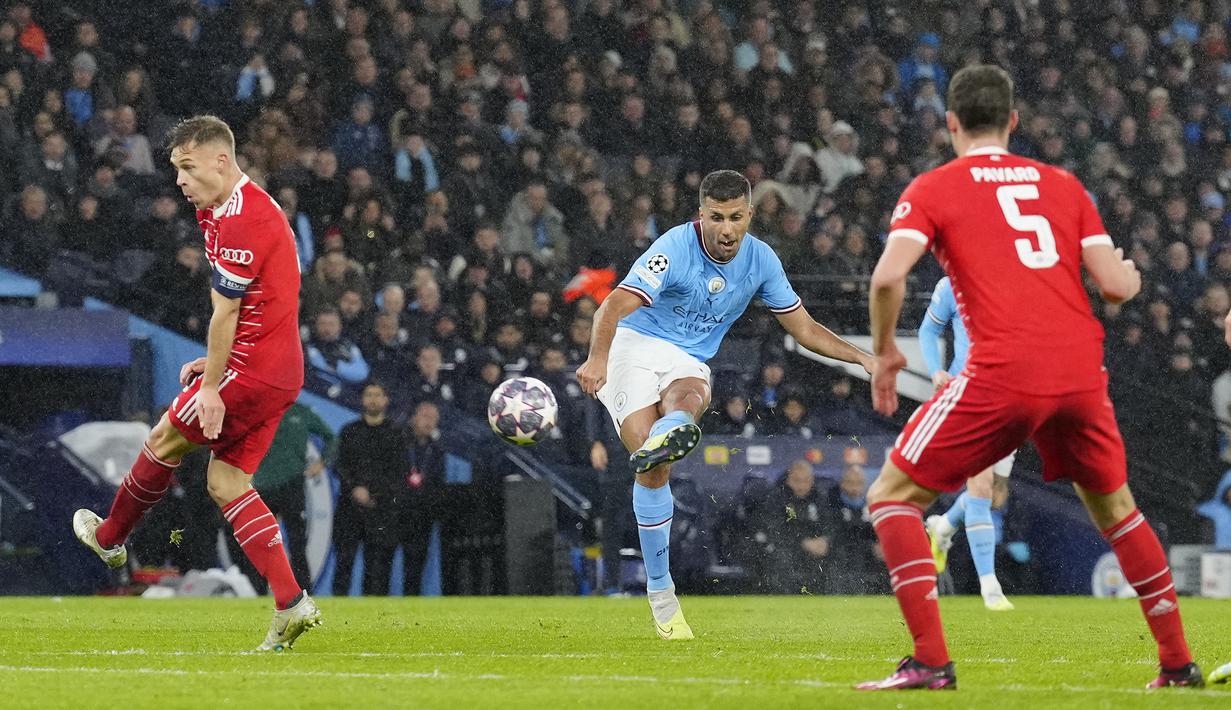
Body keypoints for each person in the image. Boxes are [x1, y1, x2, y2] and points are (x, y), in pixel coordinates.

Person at [860, 65, 1199, 691]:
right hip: (1079, 373)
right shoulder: (1064, 185)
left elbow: (886, 278)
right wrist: (1132, 274)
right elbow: (1119, 287)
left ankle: (932, 662)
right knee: (1119, 511)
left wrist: (884, 354)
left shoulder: (934, 188)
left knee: (890, 495)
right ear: (1014, 120)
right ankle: (1178, 665)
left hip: (1002, 371)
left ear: (951, 123)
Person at [576, 169, 872, 640]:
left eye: (736, 217)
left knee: (691, 395)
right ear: (701, 215)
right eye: (716, 217)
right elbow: (612, 305)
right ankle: (661, 593)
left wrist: (863, 358)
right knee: (650, 467)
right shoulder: (673, 247)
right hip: (632, 346)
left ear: (750, 215)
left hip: (687, 358)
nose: (727, 228)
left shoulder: (761, 260)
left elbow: (805, 329)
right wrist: (597, 357)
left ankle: (673, 427)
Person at [72, 115, 321, 651]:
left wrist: (213, 386)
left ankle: (112, 539)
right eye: (176, 170)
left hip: (252, 368)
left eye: (188, 168)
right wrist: (209, 371)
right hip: (277, 371)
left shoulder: (241, 219)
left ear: (221, 161)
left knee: (163, 438)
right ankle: (290, 601)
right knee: (226, 484)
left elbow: (226, 314)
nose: (180, 180)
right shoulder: (222, 210)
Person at [917, 276, 1014, 611]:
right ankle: (991, 588)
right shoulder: (951, 285)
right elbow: (927, 330)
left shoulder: (1022, 282)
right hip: (968, 394)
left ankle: (942, 526)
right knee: (981, 485)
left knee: (994, 495)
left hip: (1010, 399)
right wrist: (935, 371)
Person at [246, 401, 337, 591]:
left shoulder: (301, 412)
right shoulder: (258, 410)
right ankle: (256, 593)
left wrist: (322, 462)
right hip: (264, 485)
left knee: (297, 542)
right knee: (262, 543)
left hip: (292, 485)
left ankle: (304, 594)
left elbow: (331, 438)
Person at [332, 381, 407, 596]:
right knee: (343, 564)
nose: (373, 399)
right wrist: (356, 489)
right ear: (362, 399)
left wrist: (373, 493)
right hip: (350, 509)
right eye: (369, 394)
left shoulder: (396, 434)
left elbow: (399, 471)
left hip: (381, 511)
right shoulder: (350, 431)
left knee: (377, 570)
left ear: (386, 400)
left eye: (378, 394)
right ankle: (338, 617)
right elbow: (340, 466)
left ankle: (375, 621)